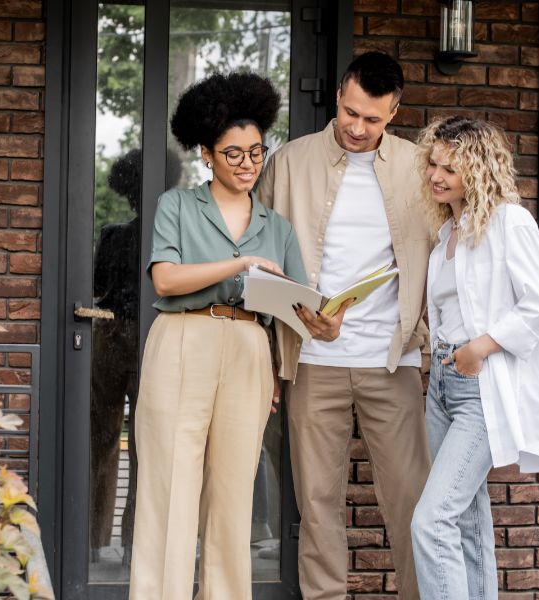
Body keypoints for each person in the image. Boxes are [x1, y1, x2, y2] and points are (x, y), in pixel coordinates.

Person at [258, 51, 432, 600]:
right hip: (311, 360)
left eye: (373, 119)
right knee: (317, 504)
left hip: (392, 359)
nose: (357, 128)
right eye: (351, 112)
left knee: (412, 502)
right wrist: (292, 319)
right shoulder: (288, 162)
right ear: (338, 95)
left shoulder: (419, 167)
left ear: (395, 112)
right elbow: (258, 256)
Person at [128, 72, 306, 600]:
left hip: (250, 349)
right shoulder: (177, 206)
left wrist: (323, 320)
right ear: (206, 153)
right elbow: (165, 278)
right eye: (234, 154)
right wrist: (242, 262)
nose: (249, 165)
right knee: (171, 488)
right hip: (183, 341)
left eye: (257, 153)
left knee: (233, 499)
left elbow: (296, 300)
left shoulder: (278, 225)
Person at [409, 116, 539, 600]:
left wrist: (480, 347)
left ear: (478, 171)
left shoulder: (508, 222)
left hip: (480, 388)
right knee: (466, 518)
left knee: (432, 520)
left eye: (450, 169)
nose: (436, 176)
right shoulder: (446, 236)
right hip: (441, 385)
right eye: (433, 164)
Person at [89, 148, 181, 566]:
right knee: (145, 447)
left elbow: (95, 286)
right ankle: (132, 548)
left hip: (108, 335)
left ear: (126, 191)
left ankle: (93, 544)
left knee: (102, 443)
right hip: (151, 340)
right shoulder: (173, 237)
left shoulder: (112, 234)